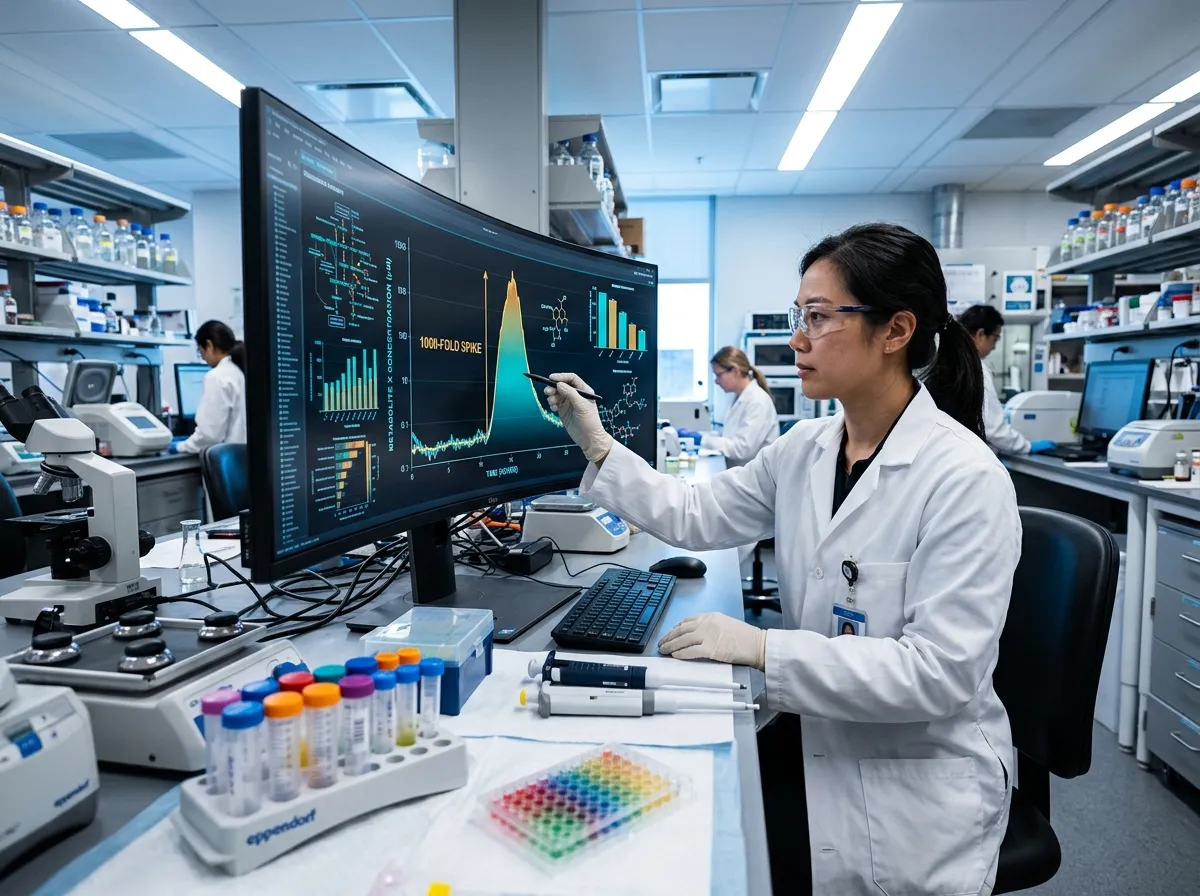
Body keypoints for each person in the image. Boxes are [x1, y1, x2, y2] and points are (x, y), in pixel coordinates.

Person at [545, 223, 1020, 896]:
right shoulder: (808, 449)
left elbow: (938, 675)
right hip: (819, 733)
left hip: (910, 783)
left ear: (895, 330)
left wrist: (766, 651)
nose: (797, 338)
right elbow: (697, 514)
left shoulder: (963, 478)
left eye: (820, 318)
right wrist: (598, 446)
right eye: (801, 315)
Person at [959, 304, 1054, 455]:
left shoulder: (949, 361)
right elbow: (995, 429)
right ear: (980, 334)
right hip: (968, 458)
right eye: (995, 339)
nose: (994, 347)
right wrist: (1026, 446)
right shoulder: (976, 369)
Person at [677, 346, 778, 467]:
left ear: (735, 371)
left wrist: (702, 439)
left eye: (718, 375)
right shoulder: (739, 397)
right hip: (740, 472)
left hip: (754, 478)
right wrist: (700, 435)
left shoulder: (758, 401)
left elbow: (742, 449)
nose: (716, 381)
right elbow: (730, 438)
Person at [174, 320, 246, 455]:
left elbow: (209, 435)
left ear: (209, 345)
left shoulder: (217, 376)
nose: (204, 360)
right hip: (242, 460)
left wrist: (180, 446)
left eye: (201, 353)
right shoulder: (239, 370)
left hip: (227, 461)